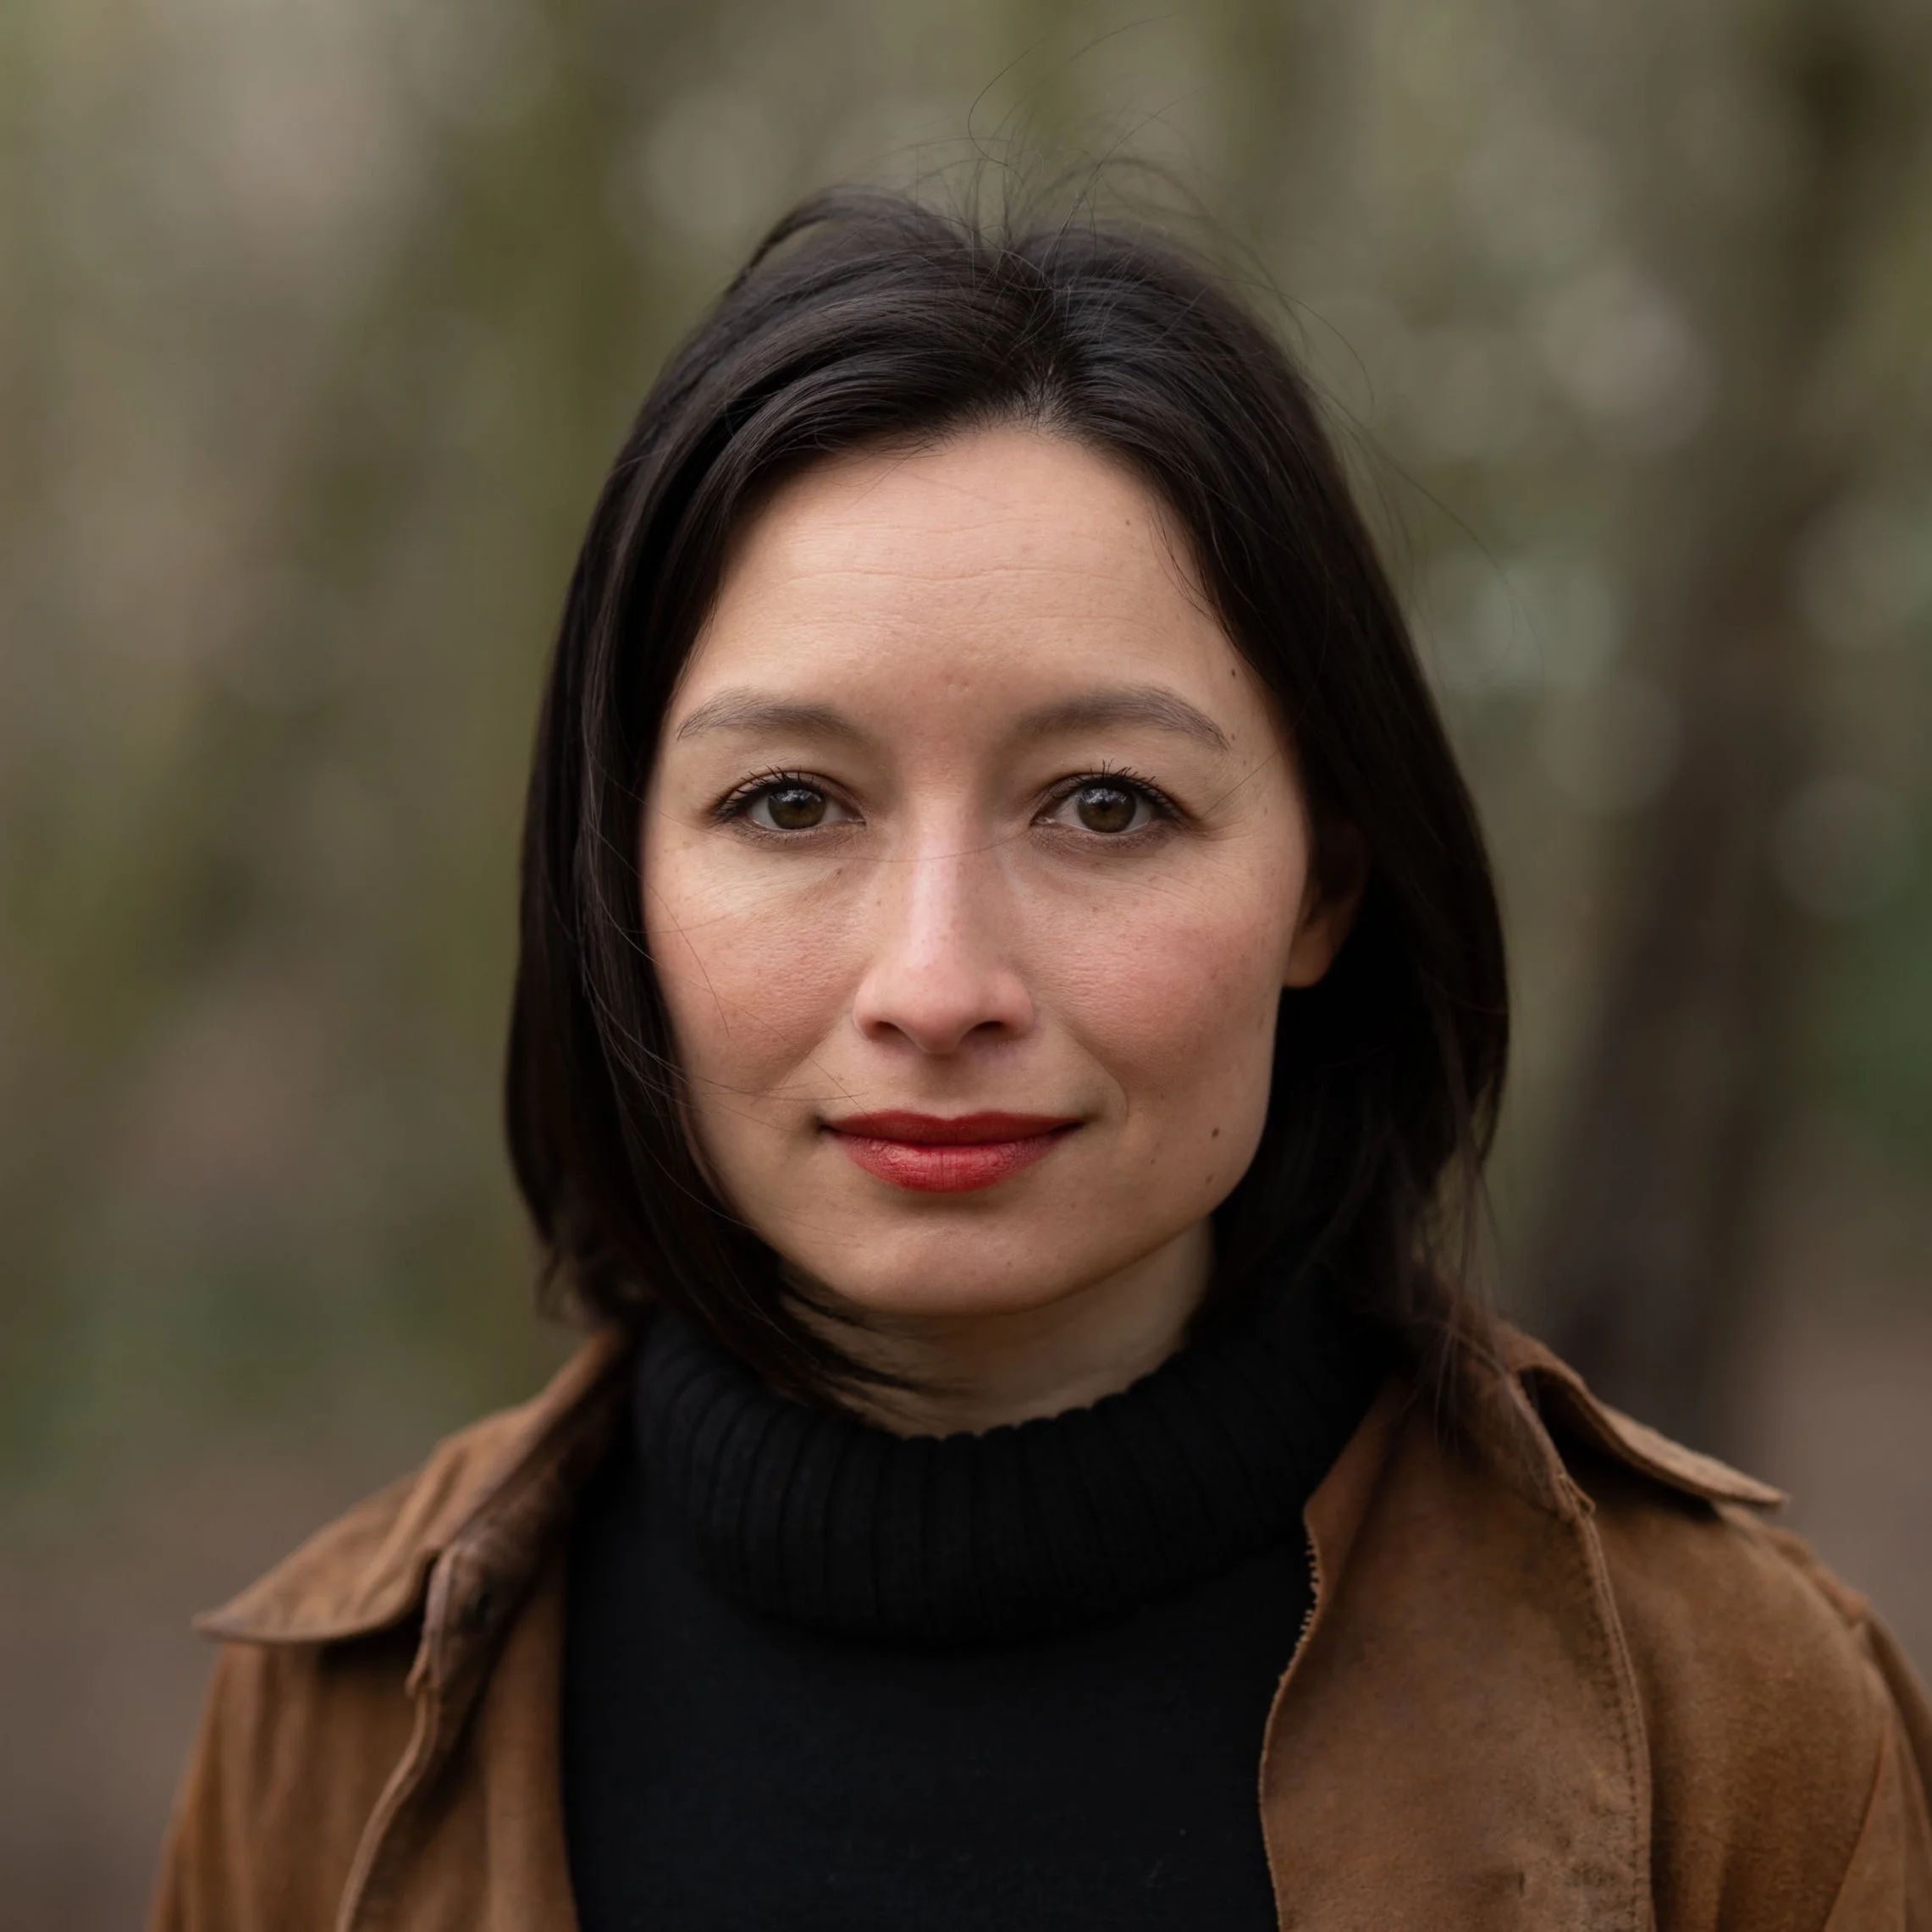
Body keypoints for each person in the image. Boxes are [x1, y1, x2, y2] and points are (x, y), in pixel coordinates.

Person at [148, 188, 1932, 1931]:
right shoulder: (336, 1731)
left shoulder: (1731, 1720)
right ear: (620, 881)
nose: (936, 985)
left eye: (1104, 804)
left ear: (1321, 885)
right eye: (788, 803)